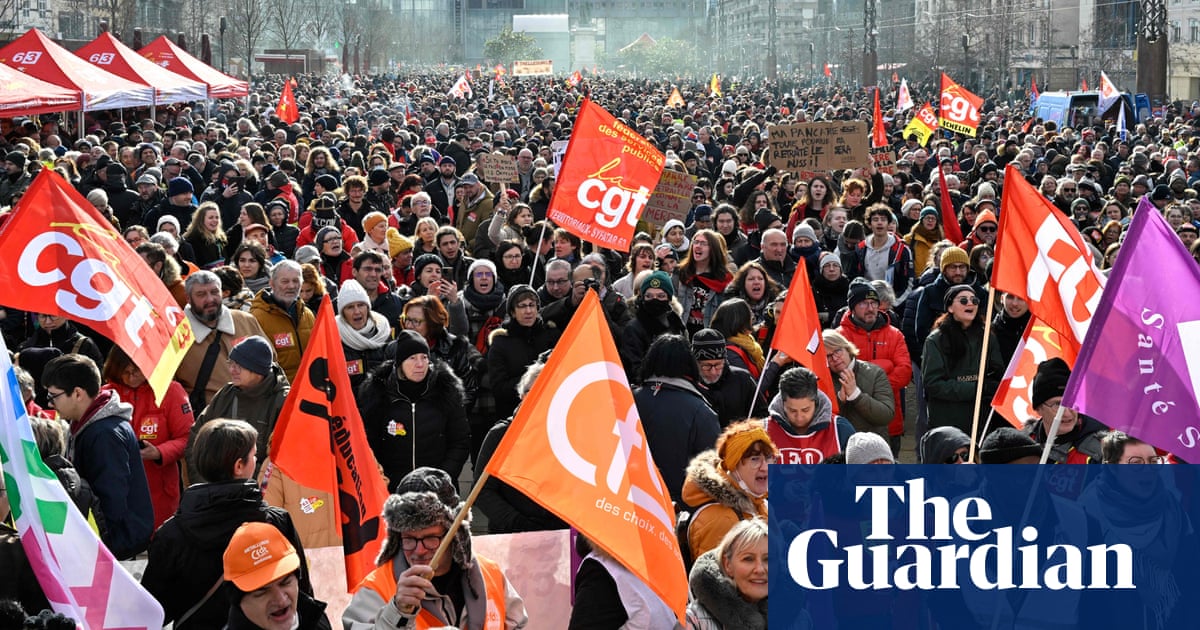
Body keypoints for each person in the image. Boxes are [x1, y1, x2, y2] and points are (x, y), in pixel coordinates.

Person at [142, 419, 311, 630]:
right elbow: (302, 595)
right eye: (253, 455)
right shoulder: (275, 523)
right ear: (239, 466)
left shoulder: (171, 535)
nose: (257, 460)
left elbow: (150, 611)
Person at [343, 467, 529, 629]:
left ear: (455, 534)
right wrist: (396, 612)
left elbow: (517, 624)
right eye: (409, 539)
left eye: (431, 538)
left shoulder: (491, 575)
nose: (419, 550)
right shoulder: (376, 588)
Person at [41, 354, 152, 560]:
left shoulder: (104, 434)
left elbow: (113, 501)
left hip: (116, 548)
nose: (50, 403)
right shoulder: (88, 423)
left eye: (53, 395)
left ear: (77, 393)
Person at [358, 330, 471, 492]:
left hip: (437, 488)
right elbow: (368, 442)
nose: (420, 364)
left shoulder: (447, 391)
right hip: (393, 489)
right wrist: (380, 477)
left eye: (424, 357)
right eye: (412, 358)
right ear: (399, 363)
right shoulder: (378, 394)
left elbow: (460, 441)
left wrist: (442, 478)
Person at [101, 347, 193, 530]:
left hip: (159, 491)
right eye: (125, 372)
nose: (131, 377)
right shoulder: (106, 394)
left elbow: (188, 437)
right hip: (117, 486)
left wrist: (159, 452)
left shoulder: (171, 391)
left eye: (137, 371)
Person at [474, 362, 568, 534]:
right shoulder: (501, 435)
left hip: (559, 535)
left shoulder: (567, 439)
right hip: (511, 536)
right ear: (524, 396)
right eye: (539, 392)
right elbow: (483, 491)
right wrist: (518, 523)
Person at [634, 334, 721, 504]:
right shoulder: (700, 411)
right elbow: (713, 471)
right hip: (676, 508)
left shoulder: (627, 400)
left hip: (626, 503)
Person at [191, 336, 290, 480]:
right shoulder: (226, 394)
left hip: (259, 493)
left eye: (240, 366)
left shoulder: (283, 402)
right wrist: (203, 482)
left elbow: (279, 460)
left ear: (258, 370)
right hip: (214, 489)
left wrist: (246, 488)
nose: (232, 370)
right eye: (231, 363)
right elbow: (197, 436)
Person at [680, 421, 774, 562]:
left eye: (768, 458)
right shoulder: (721, 520)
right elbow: (715, 581)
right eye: (755, 460)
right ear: (733, 466)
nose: (765, 467)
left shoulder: (758, 502)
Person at [921, 284, 1004, 435]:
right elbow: (933, 384)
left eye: (974, 300)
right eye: (963, 300)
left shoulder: (987, 337)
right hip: (947, 420)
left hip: (978, 420)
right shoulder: (935, 340)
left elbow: (997, 371)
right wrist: (976, 388)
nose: (970, 303)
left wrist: (991, 384)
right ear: (950, 308)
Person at [177, 271, 267, 409]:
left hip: (258, 412)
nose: (210, 299)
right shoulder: (176, 335)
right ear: (188, 299)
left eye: (214, 292)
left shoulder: (245, 320)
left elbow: (272, 367)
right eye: (201, 294)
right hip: (212, 421)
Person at [220, 522, 331, 630]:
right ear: (238, 601)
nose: (281, 600)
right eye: (262, 592)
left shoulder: (315, 619)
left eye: (285, 583)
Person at [485, 284, 558, 422]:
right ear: (512, 312)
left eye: (532, 305)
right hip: (515, 416)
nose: (528, 311)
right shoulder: (501, 342)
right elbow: (499, 389)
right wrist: (533, 379)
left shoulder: (552, 335)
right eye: (522, 306)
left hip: (549, 412)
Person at [685, 519, 770, 630]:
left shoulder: (797, 617)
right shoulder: (694, 620)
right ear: (728, 565)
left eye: (768, 559)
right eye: (748, 559)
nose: (759, 569)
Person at [765, 365, 855, 464]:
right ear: (782, 403)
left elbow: (857, 473)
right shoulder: (764, 430)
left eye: (805, 410)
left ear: (816, 402)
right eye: (792, 410)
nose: (799, 417)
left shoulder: (840, 429)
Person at [1023, 357, 1106, 464]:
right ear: (1039, 409)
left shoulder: (1101, 451)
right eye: (1058, 404)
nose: (1067, 412)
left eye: (1072, 402)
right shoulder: (1023, 443)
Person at [822, 330, 895, 440]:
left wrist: (856, 395)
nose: (835, 358)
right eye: (828, 356)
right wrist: (839, 401)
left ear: (847, 348)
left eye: (837, 351)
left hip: (871, 445)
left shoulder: (875, 373)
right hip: (836, 445)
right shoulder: (822, 378)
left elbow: (886, 415)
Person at [249, 261, 315, 383]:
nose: (291, 286)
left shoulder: (308, 315)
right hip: (279, 395)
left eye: (296, 281)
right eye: (285, 281)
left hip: (309, 390)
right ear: (272, 283)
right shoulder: (256, 318)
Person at [620, 271, 688, 383]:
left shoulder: (677, 324)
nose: (654, 300)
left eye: (661, 296)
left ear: (669, 299)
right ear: (642, 298)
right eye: (649, 296)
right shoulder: (634, 329)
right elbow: (634, 369)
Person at [691, 328, 764, 426]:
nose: (713, 372)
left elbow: (762, 415)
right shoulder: (688, 384)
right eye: (707, 366)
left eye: (718, 365)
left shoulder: (743, 379)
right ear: (696, 363)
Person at [336, 279, 393, 392]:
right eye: (350, 307)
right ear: (343, 313)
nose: (357, 311)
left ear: (368, 307)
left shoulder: (383, 332)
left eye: (361, 305)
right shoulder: (335, 337)